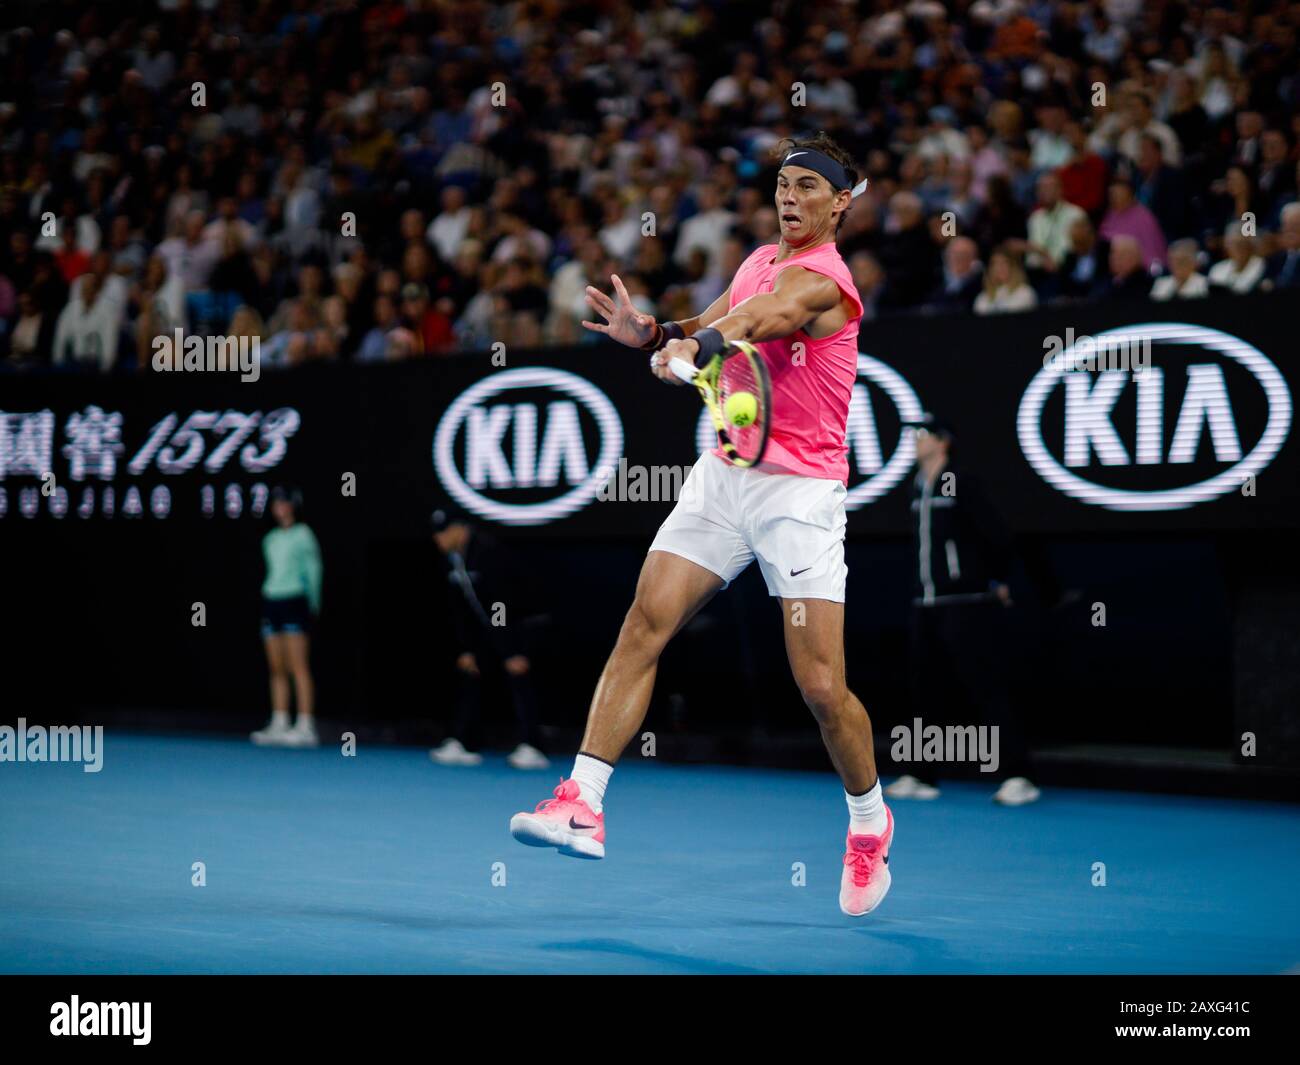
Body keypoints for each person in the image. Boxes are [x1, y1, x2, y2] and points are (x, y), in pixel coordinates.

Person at [508, 133, 895, 918]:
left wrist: (703, 344)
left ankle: (867, 822)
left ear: (839, 204)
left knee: (821, 686)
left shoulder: (827, 282)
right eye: (783, 184)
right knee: (644, 622)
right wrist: (655, 335)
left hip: (800, 497)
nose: (789, 197)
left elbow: (764, 318)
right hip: (725, 476)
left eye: (807, 188)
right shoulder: (759, 256)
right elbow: (716, 317)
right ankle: (581, 800)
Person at [886, 415, 1040, 806]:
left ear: (943, 442)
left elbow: (997, 535)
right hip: (925, 604)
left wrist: (996, 580)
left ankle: (1019, 776)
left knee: (987, 688)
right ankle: (922, 774)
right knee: (923, 692)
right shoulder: (917, 486)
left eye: (922, 435)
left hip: (966, 604)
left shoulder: (961, 482)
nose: (915, 441)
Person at [429, 508, 550, 771]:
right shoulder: (452, 560)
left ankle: (534, 746)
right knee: (471, 670)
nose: (438, 538)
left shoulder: (489, 552)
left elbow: (504, 603)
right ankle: (463, 742)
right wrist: (466, 648)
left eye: (443, 532)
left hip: (524, 624)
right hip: (492, 627)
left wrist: (513, 650)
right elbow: (460, 610)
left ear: (461, 529)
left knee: (518, 675)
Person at [250, 487, 323, 748]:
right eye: (276, 502)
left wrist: (313, 602)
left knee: (298, 665)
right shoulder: (269, 539)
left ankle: (305, 725)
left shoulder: (304, 535)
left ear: (293, 506)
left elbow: (314, 570)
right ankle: (279, 722)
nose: (279, 506)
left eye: (284, 502)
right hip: (272, 601)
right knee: (276, 667)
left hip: (295, 600)